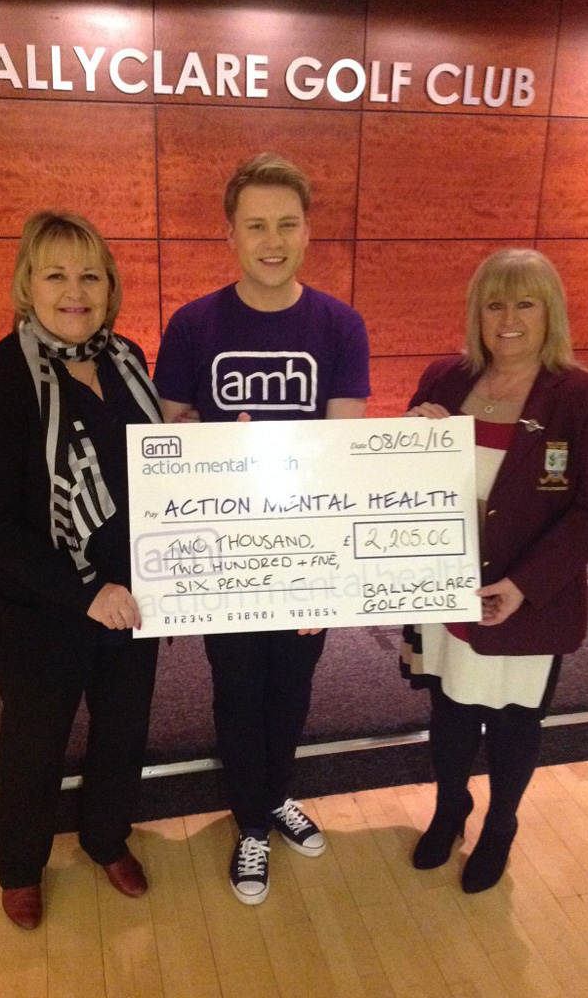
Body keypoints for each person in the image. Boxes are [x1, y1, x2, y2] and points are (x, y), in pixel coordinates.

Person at [154, 152, 370, 903]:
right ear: (231, 236)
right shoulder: (192, 325)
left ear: (307, 232)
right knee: (236, 689)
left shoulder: (341, 325)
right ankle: (250, 822)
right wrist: (223, 445)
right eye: (255, 226)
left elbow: (341, 450)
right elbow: (169, 443)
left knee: (293, 688)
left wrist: (330, 577)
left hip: (305, 558)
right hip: (223, 556)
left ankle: (274, 792)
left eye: (286, 224)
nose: (271, 240)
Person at [0, 211, 163, 929]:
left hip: (134, 599)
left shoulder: (129, 361)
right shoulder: (0, 381)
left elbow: (157, 465)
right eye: (56, 274)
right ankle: (19, 866)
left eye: (89, 274)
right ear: (27, 285)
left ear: (109, 286)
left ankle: (106, 838)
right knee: (35, 745)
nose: (74, 291)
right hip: (41, 609)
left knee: (123, 731)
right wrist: (84, 592)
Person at [400, 248, 588, 893]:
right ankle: (450, 810)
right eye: (494, 302)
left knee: (511, 720)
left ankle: (500, 823)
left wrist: (523, 586)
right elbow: (401, 478)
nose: (508, 317)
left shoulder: (586, 398)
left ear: (549, 310)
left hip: (523, 598)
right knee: (446, 709)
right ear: (477, 312)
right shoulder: (445, 377)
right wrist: (412, 432)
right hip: (442, 588)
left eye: (524, 302)